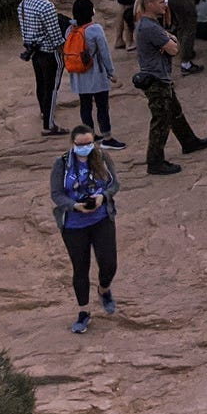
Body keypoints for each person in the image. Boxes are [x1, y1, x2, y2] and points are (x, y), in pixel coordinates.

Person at [50, 125, 121, 334]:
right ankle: (83, 312)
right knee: (80, 268)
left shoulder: (102, 158)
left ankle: (104, 289)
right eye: (80, 145)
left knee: (109, 263)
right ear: (72, 144)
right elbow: (56, 194)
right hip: (74, 224)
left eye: (88, 143)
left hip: (101, 219)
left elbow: (114, 184)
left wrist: (103, 197)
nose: (85, 148)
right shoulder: (62, 163)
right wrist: (74, 206)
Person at [134, 0, 207, 175]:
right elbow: (174, 49)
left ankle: (189, 141)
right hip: (156, 79)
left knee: (174, 112)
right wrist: (170, 42)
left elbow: (170, 42)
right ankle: (155, 161)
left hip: (160, 77)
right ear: (150, 5)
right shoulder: (150, 27)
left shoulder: (149, 24)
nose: (164, 5)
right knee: (161, 120)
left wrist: (169, 41)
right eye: (161, 2)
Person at [64, 0, 125, 150]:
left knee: (85, 107)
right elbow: (104, 53)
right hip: (95, 75)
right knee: (102, 107)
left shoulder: (70, 29)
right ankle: (107, 137)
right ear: (91, 11)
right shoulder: (95, 29)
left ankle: (89, 137)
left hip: (79, 76)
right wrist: (111, 73)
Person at [17, 0, 70, 136]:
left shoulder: (23, 4)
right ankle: (49, 125)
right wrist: (65, 52)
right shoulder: (47, 6)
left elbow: (25, 30)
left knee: (41, 83)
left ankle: (43, 112)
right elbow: (55, 35)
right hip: (50, 53)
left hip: (34, 51)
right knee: (52, 88)